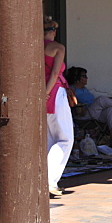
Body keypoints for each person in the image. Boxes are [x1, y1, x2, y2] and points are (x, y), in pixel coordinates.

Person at [66, 66, 112, 145]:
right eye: (84, 76)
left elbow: (94, 101)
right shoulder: (72, 89)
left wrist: (111, 98)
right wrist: (79, 107)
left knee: (111, 109)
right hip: (84, 113)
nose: (86, 78)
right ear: (77, 78)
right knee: (101, 99)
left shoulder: (84, 89)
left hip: (94, 112)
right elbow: (72, 103)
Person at [44, 17, 74, 197]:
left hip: (39, 93)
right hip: (54, 92)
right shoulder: (57, 47)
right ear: (53, 32)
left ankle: (45, 179)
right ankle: (50, 180)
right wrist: (46, 92)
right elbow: (55, 73)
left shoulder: (32, 47)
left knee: (48, 139)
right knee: (65, 138)